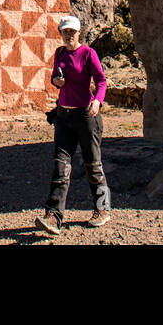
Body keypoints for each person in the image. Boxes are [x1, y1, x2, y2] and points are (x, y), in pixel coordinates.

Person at [35, 14, 110, 234]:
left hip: (86, 116)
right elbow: (54, 77)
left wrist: (97, 101)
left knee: (93, 166)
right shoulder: (59, 53)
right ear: (60, 33)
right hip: (64, 117)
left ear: (79, 33)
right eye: (65, 32)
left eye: (72, 32)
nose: (68, 35)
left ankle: (103, 209)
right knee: (60, 166)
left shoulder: (88, 53)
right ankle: (53, 216)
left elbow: (102, 80)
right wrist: (56, 82)